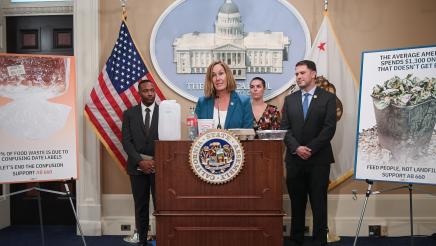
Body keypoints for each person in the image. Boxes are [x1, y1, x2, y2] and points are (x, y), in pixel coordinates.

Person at [280, 60, 337, 246]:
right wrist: (297, 148)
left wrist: (309, 149)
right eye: (296, 74)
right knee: (297, 204)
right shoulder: (290, 100)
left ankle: (320, 241)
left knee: (319, 204)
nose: (298, 77)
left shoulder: (327, 98)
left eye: (302, 73)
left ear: (313, 74)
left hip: (318, 160)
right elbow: (285, 129)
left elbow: (329, 129)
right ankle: (296, 240)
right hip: (294, 160)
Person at [121, 79, 159, 246]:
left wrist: (157, 161)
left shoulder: (164, 112)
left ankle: (162, 238)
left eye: (152, 90)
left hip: (159, 167)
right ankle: (142, 240)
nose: (150, 93)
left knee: (161, 206)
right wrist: (140, 161)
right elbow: (126, 141)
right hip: (137, 168)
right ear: (139, 93)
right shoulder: (130, 114)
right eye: (146, 91)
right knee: (141, 206)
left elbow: (169, 139)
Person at [195, 61, 253, 129]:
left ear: (228, 76)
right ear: (210, 80)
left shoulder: (244, 102)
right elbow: (195, 132)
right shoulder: (202, 102)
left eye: (221, 73)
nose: (217, 78)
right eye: (213, 75)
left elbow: (248, 134)